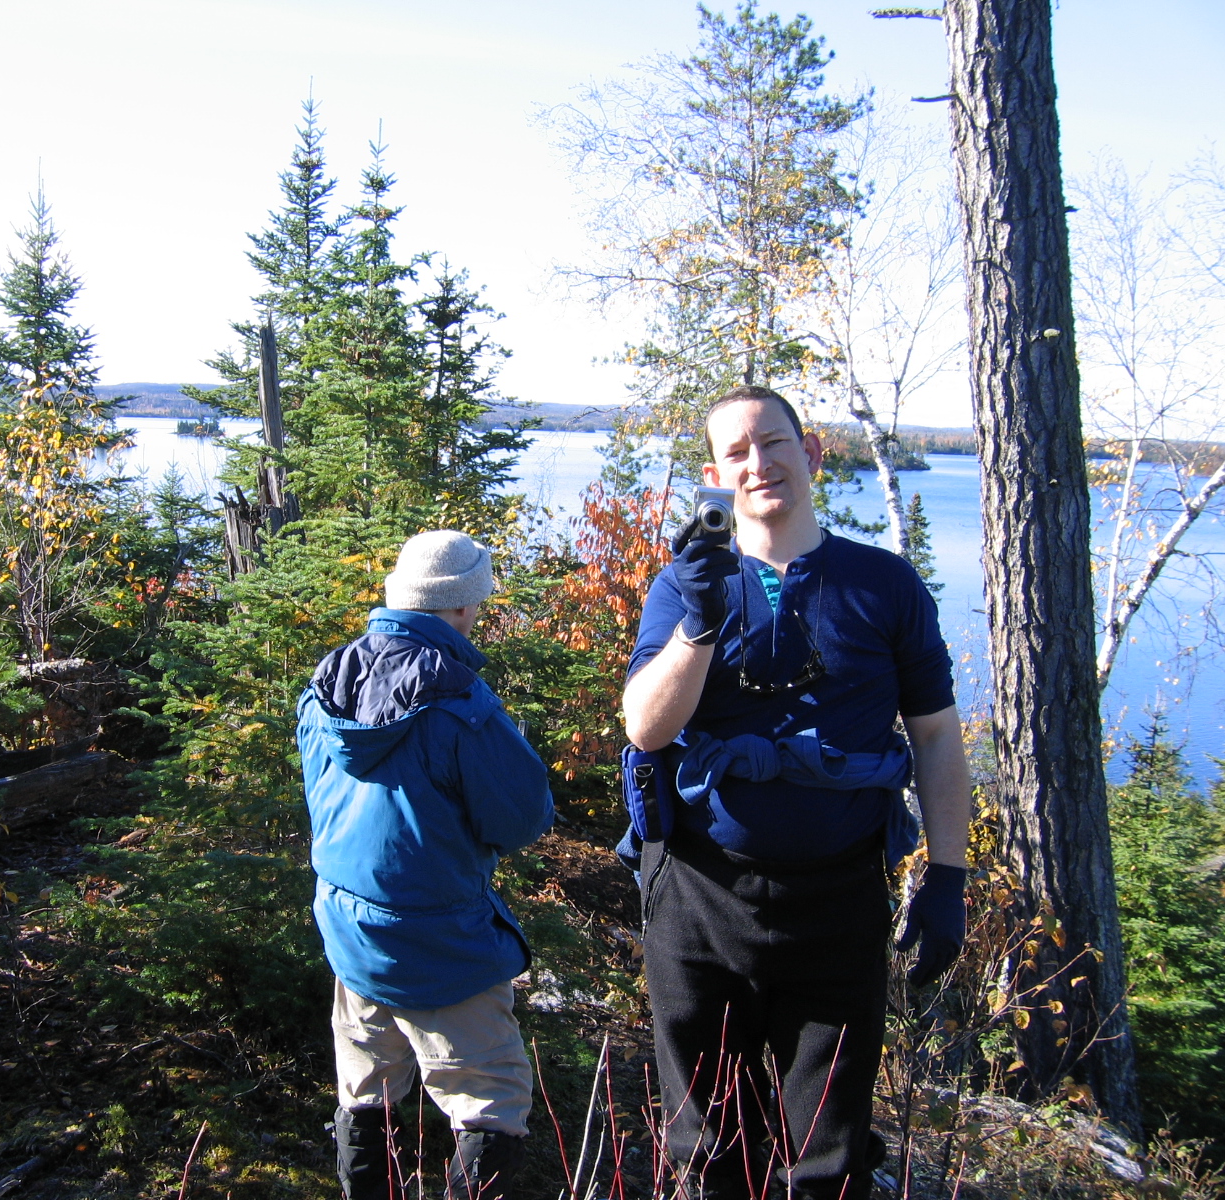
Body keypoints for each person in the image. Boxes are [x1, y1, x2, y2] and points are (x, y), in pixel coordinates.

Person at [622, 386, 973, 1199]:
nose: (759, 463)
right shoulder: (681, 586)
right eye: (736, 453)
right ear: (715, 476)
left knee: (829, 1158)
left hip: (839, 903)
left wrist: (948, 875)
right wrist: (700, 623)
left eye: (774, 442)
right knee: (709, 1154)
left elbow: (934, 736)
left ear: (810, 453)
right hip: (698, 895)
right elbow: (646, 727)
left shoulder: (884, 584)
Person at [297, 530, 556, 1200]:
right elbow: (521, 817)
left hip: (351, 931)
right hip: (442, 941)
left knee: (366, 1092)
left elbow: (322, 798)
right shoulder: (461, 703)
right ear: (463, 604)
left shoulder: (328, 681)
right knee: (491, 1102)